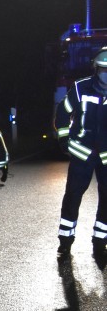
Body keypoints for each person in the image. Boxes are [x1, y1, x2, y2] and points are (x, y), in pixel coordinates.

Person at [55, 49, 107, 256]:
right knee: (73, 196)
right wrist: (63, 138)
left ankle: (100, 239)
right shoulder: (80, 88)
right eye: (103, 69)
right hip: (82, 153)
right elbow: (63, 111)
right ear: (96, 69)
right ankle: (65, 239)